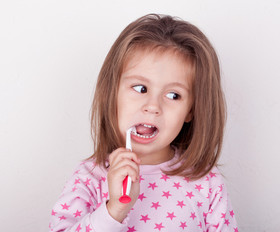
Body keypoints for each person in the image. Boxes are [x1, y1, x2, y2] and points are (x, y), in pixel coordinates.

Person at [49, 14, 238, 232]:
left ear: (191, 111)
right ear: (112, 93)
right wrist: (115, 210)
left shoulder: (206, 182)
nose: (153, 106)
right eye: (140, 88)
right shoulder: (89, 178)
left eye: (174, 95)